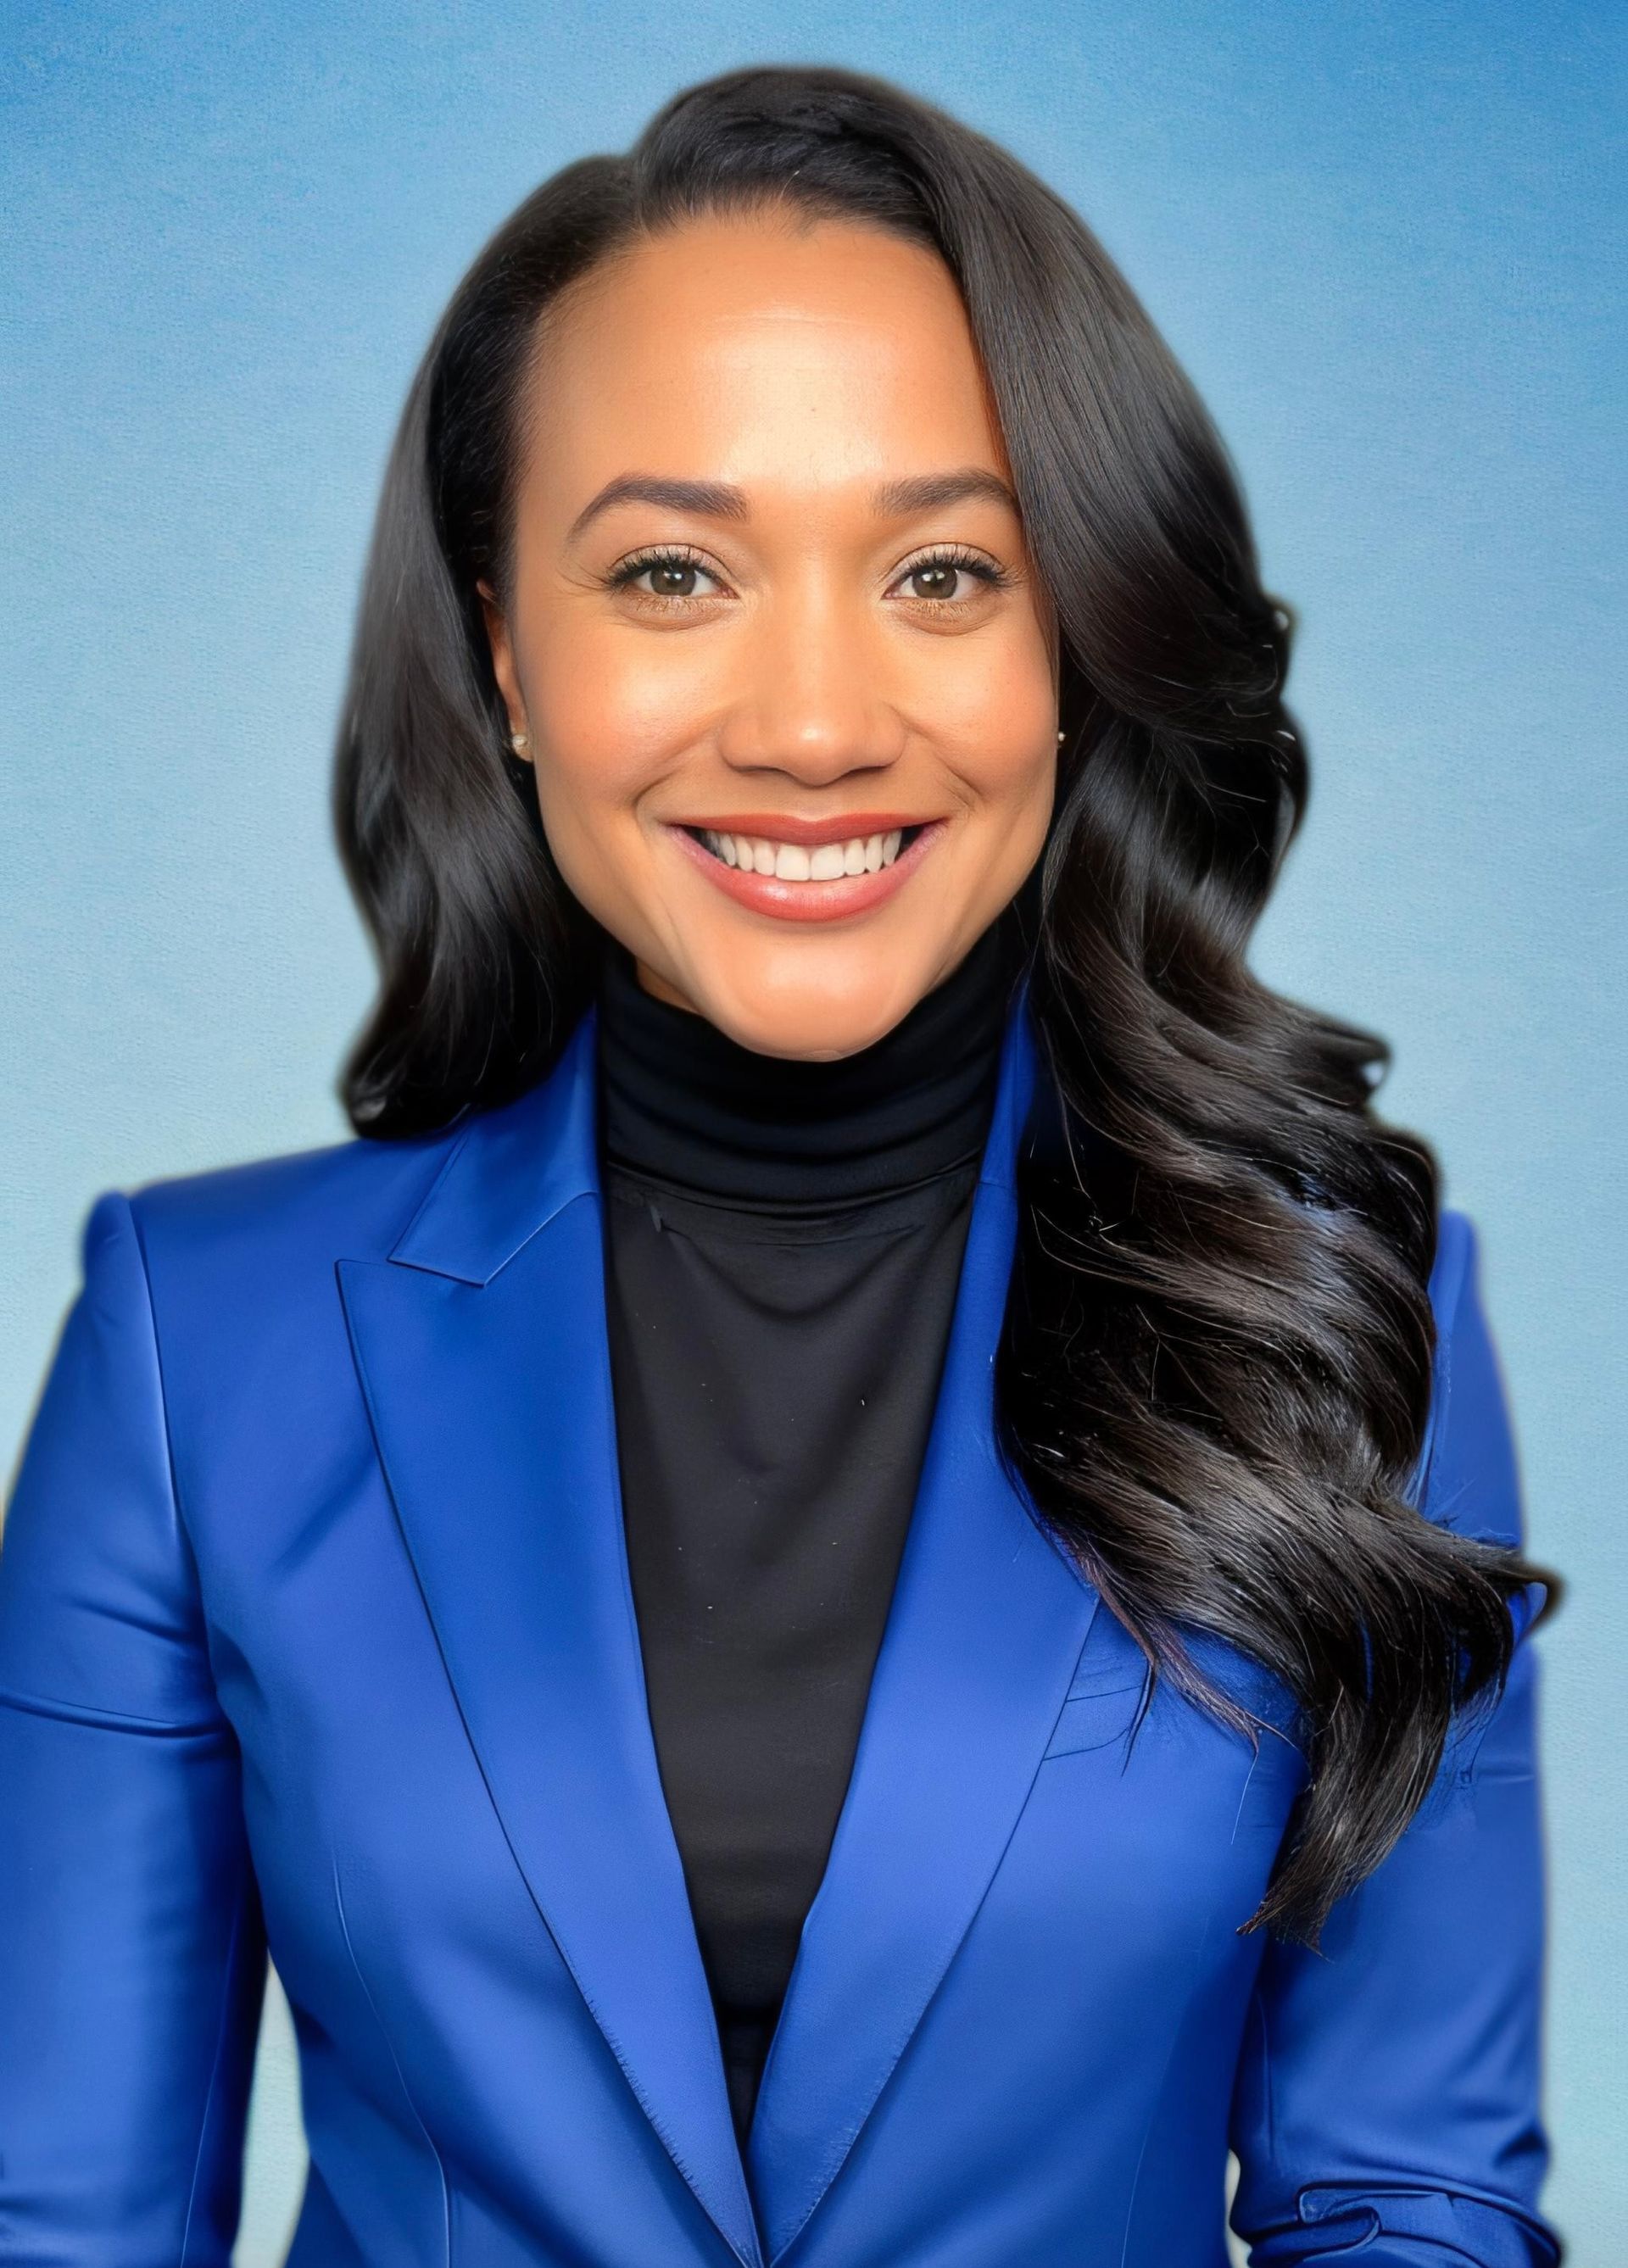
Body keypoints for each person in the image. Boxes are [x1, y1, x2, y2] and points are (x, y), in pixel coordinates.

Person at [0, 63, 1563, 2268]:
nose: (815, 719)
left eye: (942, 568)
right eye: (670, 570)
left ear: (1076, 649)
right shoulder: (194, 1354)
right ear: (507, 650)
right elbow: (60, 2228)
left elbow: (1409, 2203)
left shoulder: (1344, 1322)